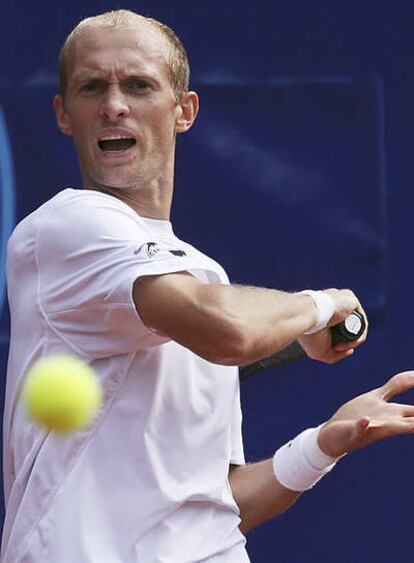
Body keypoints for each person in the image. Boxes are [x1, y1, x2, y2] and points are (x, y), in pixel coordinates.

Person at [2, 9, 414, 563]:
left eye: (140, 85)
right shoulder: (66, 226)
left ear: (184, 111)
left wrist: (324, 442)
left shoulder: (203, 275)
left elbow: (217, 503)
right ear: (64, 114)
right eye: (92, 86)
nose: (115, 105)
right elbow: (230, 331)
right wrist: (323, 305)